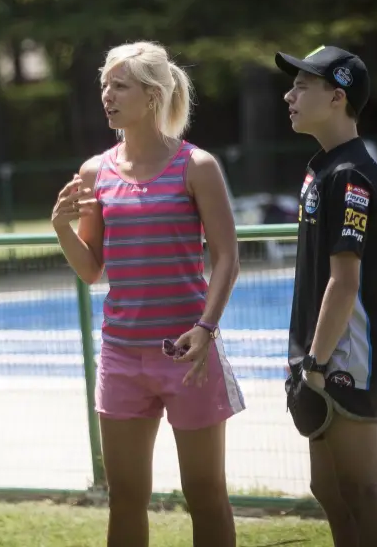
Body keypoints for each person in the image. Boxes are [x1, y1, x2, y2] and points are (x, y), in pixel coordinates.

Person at [51, 41, 245, 547]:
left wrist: (206, 329)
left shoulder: (196, 165)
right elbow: (92, 270)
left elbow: (227, 257)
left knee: (206, 494)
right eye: (104, 86)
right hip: (121, 357)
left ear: (153, 95)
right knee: (126, 498)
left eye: (120, 86)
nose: (107, 95)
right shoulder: (95, 172)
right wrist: (61, 228)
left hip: (189, 355)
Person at [276, 45, 377, 547]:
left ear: (336, 97)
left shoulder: (350, 176)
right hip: (317, 352)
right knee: (328, 488)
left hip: (342, 354)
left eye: (302, 86)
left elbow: (345, 282)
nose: (289, 96)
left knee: (361, 490)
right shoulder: (321, 169)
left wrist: (316, 364)